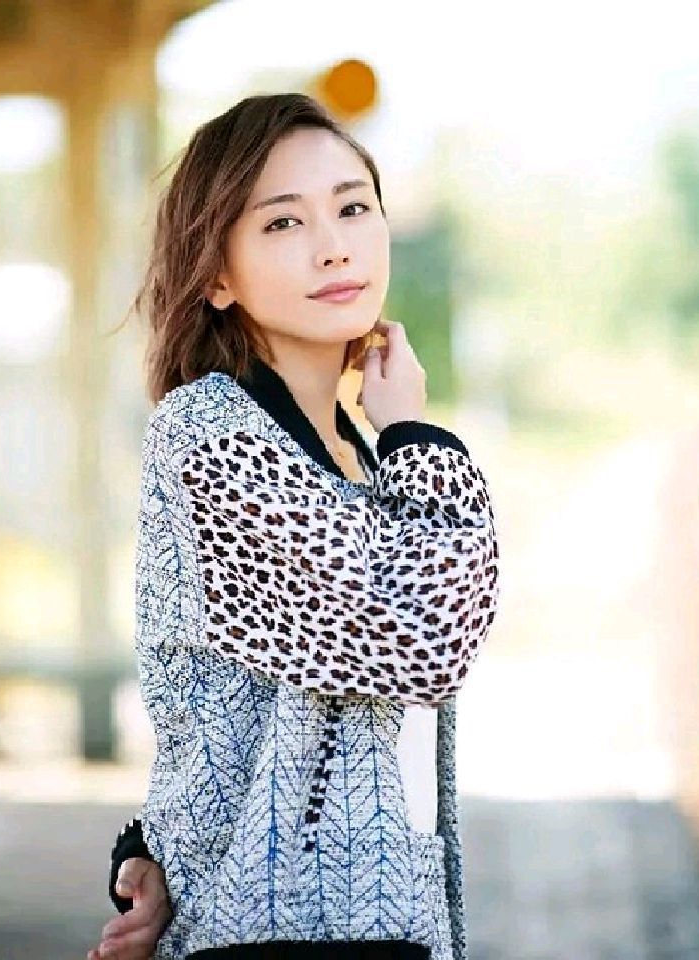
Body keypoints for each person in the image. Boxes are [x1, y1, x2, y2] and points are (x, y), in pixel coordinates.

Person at [85, 92, 501, 960]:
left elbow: (235, 702)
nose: (334, 246)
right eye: (282, 223)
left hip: (364, 921)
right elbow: (427, 642)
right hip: (282, 928)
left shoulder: (349, 446)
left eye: (353, 207)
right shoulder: (212, 434)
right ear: (217, 275)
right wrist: (417, 437)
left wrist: (160, 852)